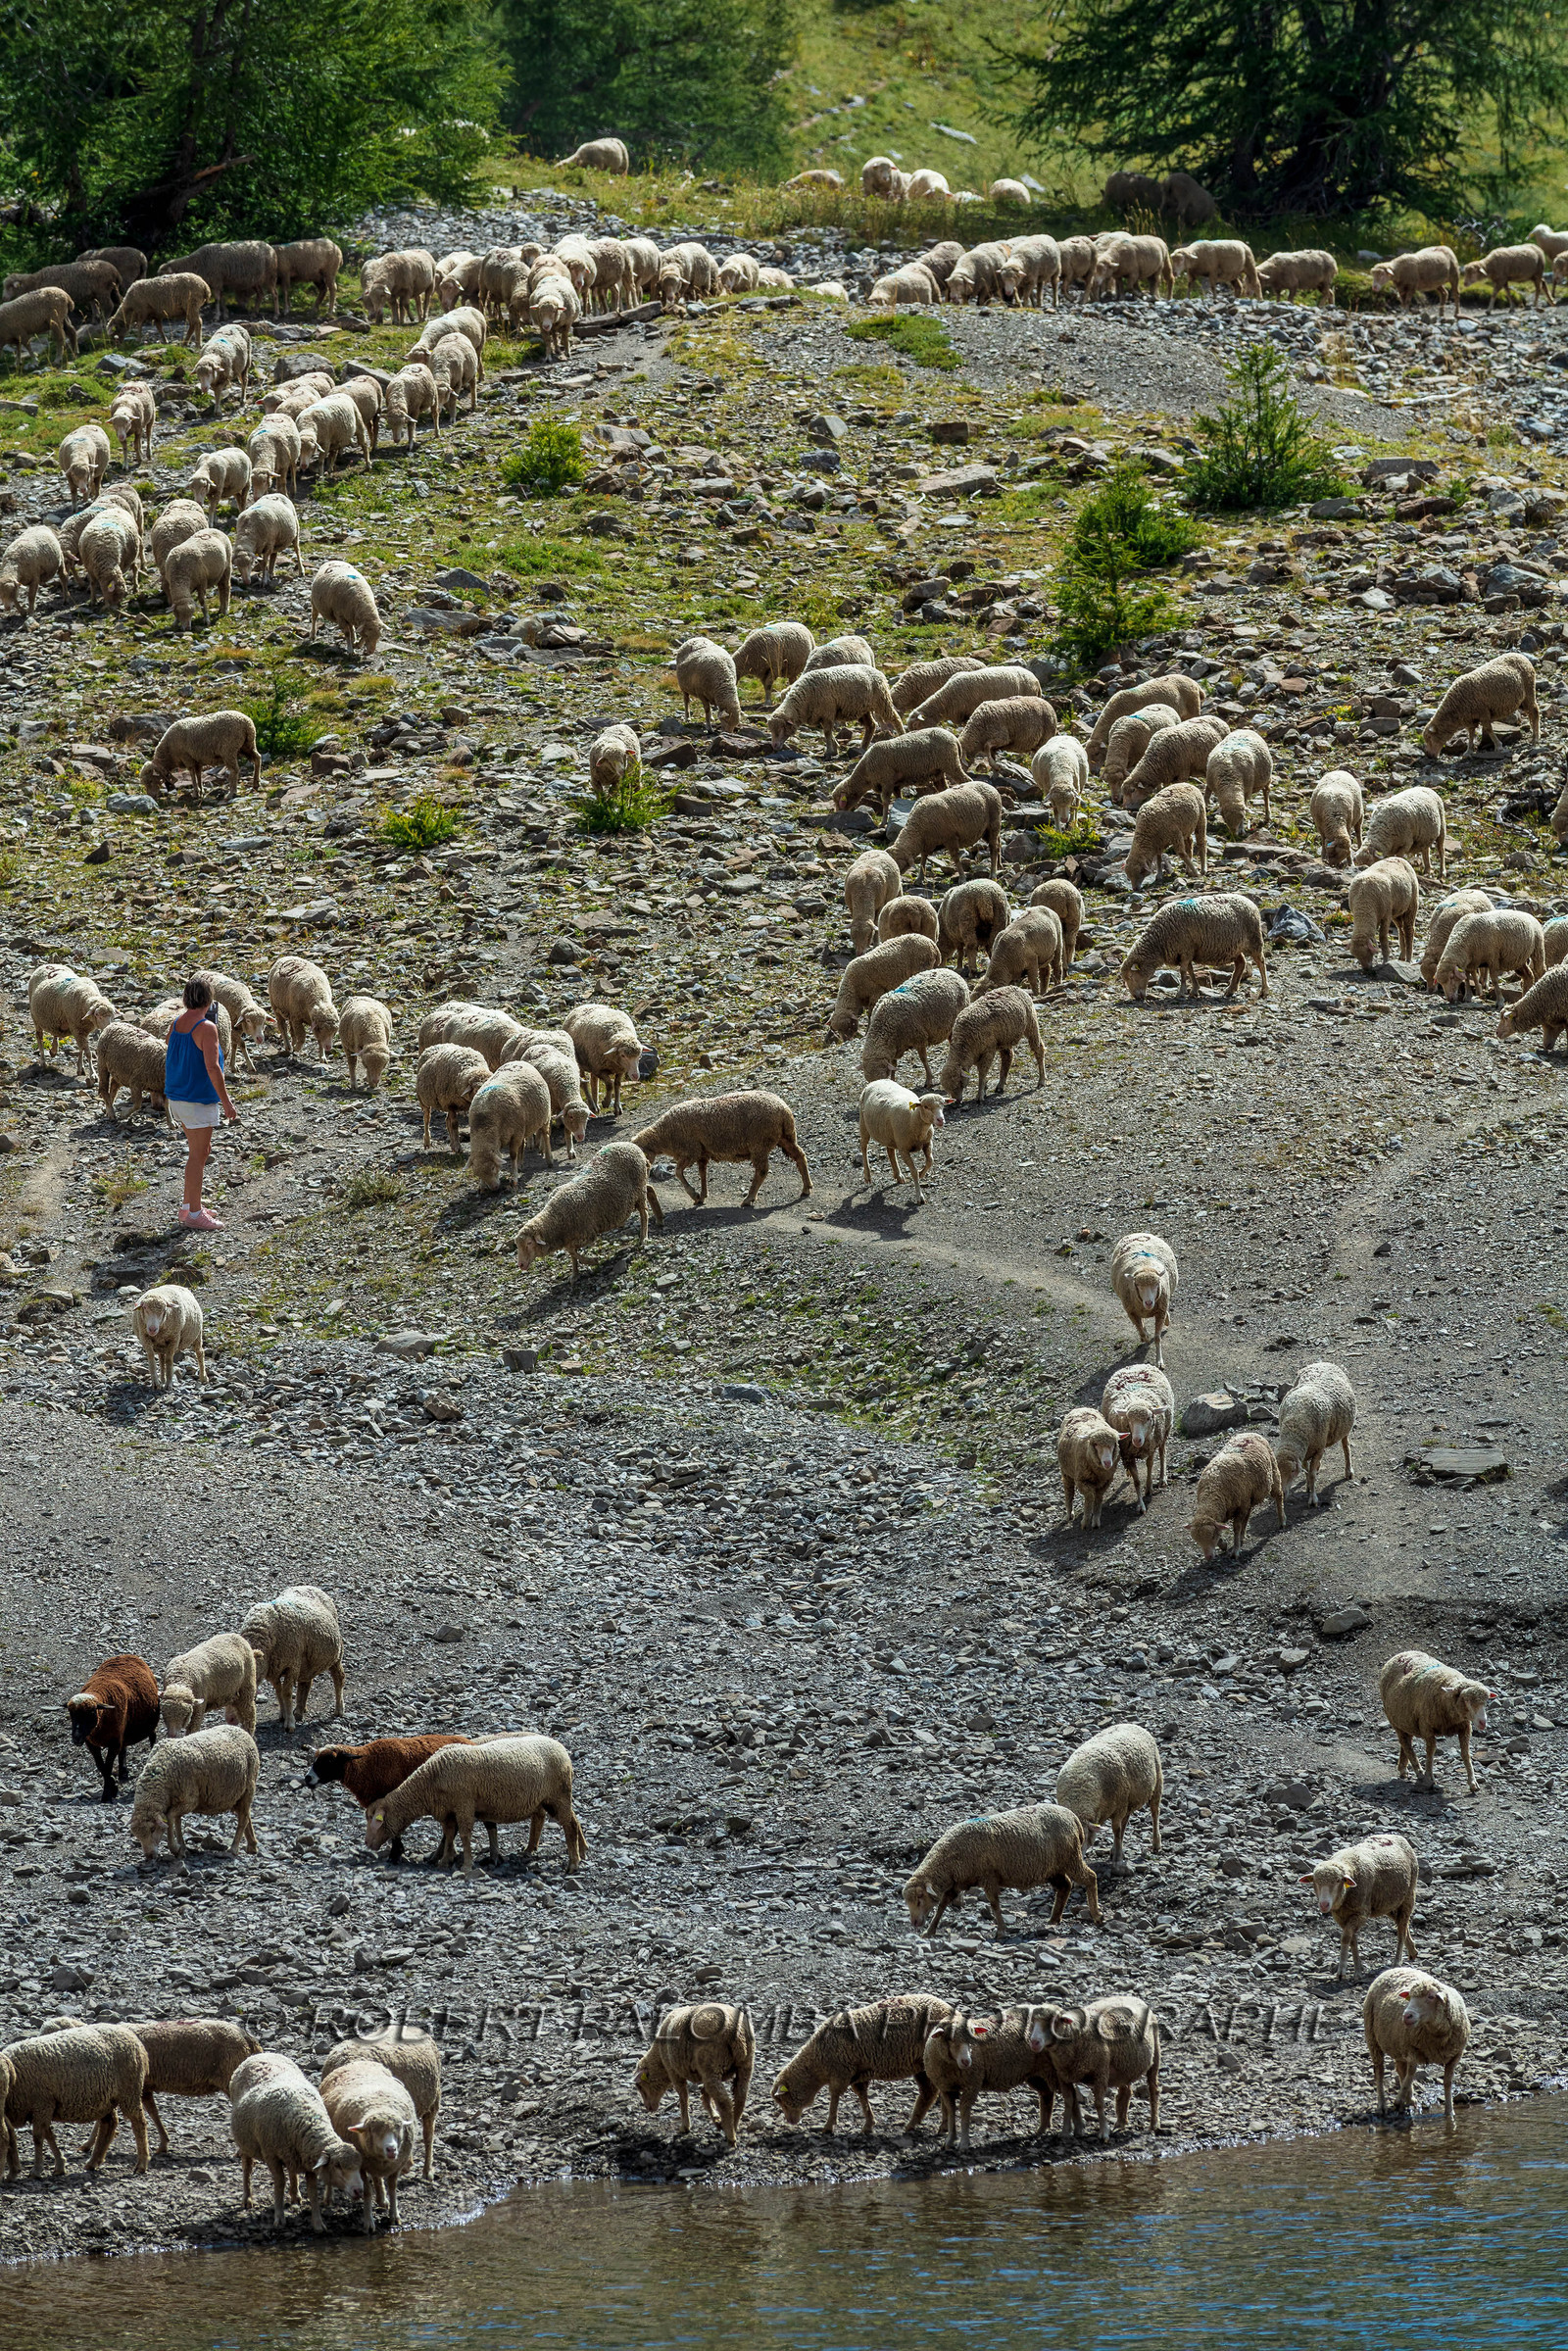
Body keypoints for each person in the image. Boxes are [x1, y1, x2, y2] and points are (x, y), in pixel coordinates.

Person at [165, 976, 237, 1233]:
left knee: (200, 1152)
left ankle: (189, 1205)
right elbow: (212, 1066)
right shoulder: (207, 1027)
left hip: (177, 1096)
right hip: (196, 1098)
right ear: (209, 999)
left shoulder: (177, 1022)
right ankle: (194, 1214)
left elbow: (169, 1043)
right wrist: (227, 1101)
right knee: (198, 1155)